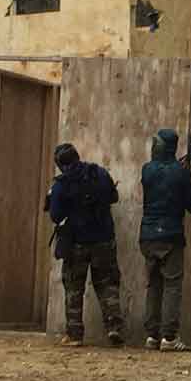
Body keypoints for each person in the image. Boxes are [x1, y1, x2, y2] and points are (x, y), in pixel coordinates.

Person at [46, 142, 125, 347]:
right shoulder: (99, 173)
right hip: (104, 239)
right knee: (107, 285)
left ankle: (74, 334)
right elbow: (113, 197)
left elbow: (55, 215)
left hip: (76, 243)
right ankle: (114, 328)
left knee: (74, 288)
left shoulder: (61, 184)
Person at [139, 127, 191, 351]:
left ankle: (152, 336)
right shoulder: (181, 173)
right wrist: (187, 174)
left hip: (147, 236)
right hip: (171, 236)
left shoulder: (147, 170)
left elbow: (161, 179)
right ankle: (169, 337)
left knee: (153, 285)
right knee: (172, 286)